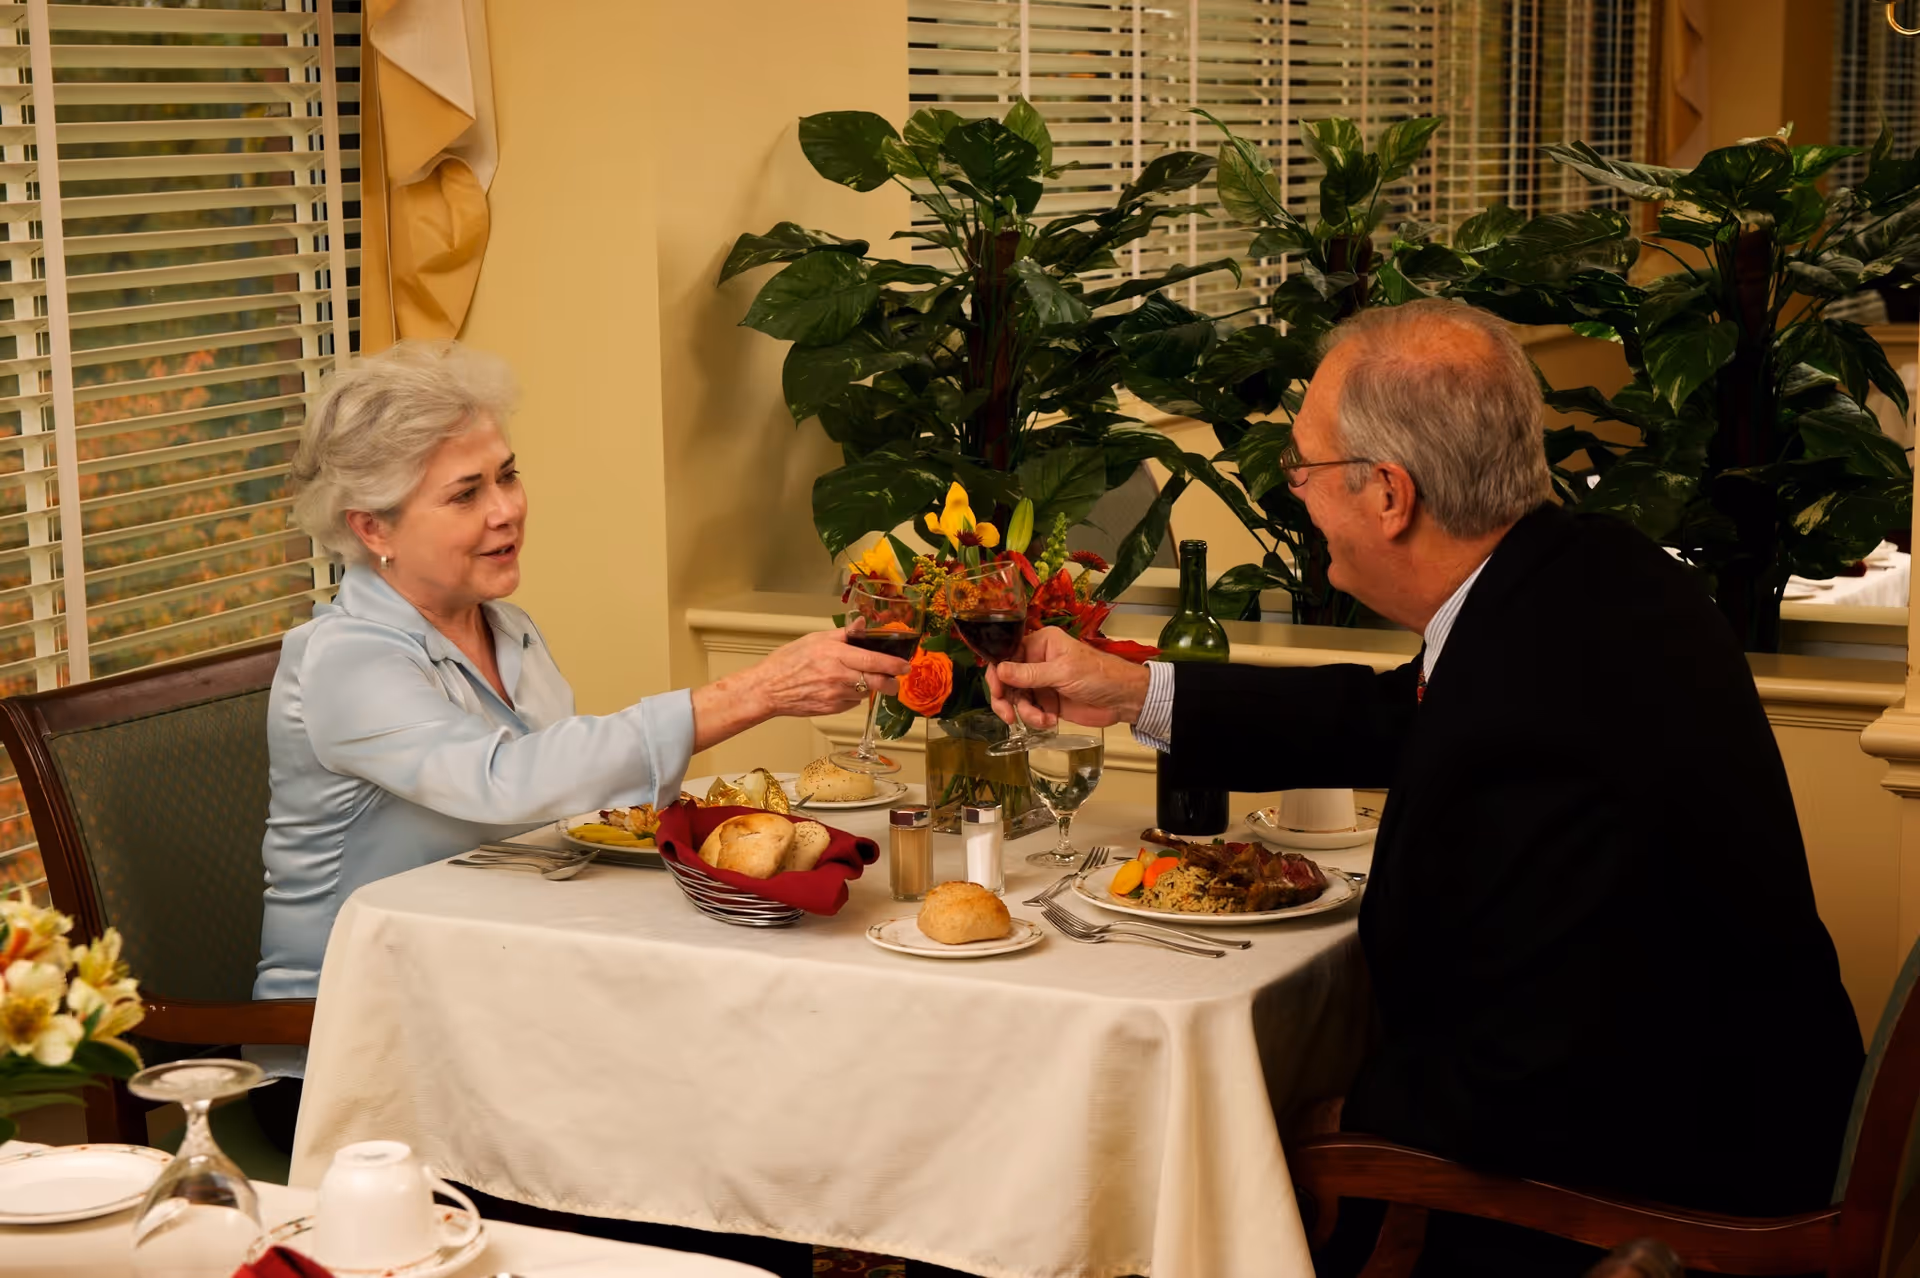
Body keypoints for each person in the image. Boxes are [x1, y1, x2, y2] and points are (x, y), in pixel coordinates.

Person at [987, 300, 1865, 1273]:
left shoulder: (1528, 679)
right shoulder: (1591, 576)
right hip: (1755, 1097)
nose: (1297, 497)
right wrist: (1134, 691)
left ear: (1391, 496)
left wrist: (1327, 1117)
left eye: (1304, 470)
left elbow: (1530, 1070)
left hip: (1669, 1182)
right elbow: (1402, 714)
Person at [251, 343, 905, 1157]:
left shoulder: (505, 626)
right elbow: (506, 785)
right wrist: (753, 693)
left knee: (752, 1097)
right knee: (686, 1145)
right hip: (354, 1053)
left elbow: (569, 801)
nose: (506, 510)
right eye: (465, 494)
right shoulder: (344, 658)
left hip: (497, 998)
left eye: (507, 474)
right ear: (371, 527)